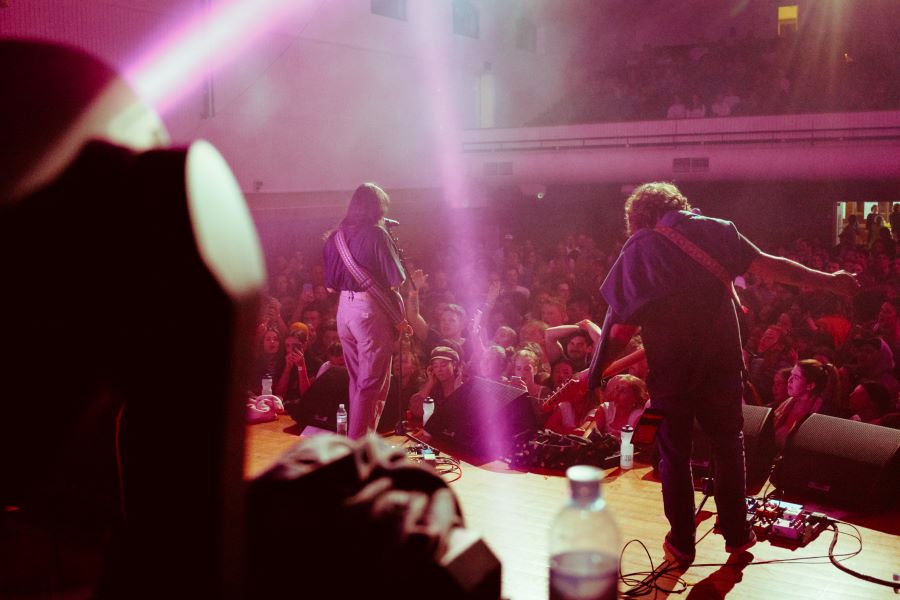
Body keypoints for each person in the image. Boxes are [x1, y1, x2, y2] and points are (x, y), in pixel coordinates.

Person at [587, 182, 857, 565]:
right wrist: (831, 281)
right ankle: (735, 533)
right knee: (729, 444)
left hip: (669, 376)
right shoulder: (717, 230)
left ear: (639, 218)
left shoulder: (640, 248)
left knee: (673, 455)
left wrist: (596, 372)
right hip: (722, 366)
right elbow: (774, 268)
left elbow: (618, 330)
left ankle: (681, 542)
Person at [322, 182, 407, 438]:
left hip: (344, 312)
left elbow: (329, 287)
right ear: (377, 208)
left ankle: (357, 441)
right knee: (372, 384)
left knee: (358, 380)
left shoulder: (334, 237)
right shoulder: (377, 234)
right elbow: (397, 280)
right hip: (369, 311)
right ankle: (358, 450)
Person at [773, 359, 839, 449]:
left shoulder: (821, 414)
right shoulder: (787, 404)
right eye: (791, 374)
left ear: (810, 385)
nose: (789, 380)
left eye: (796, 377)